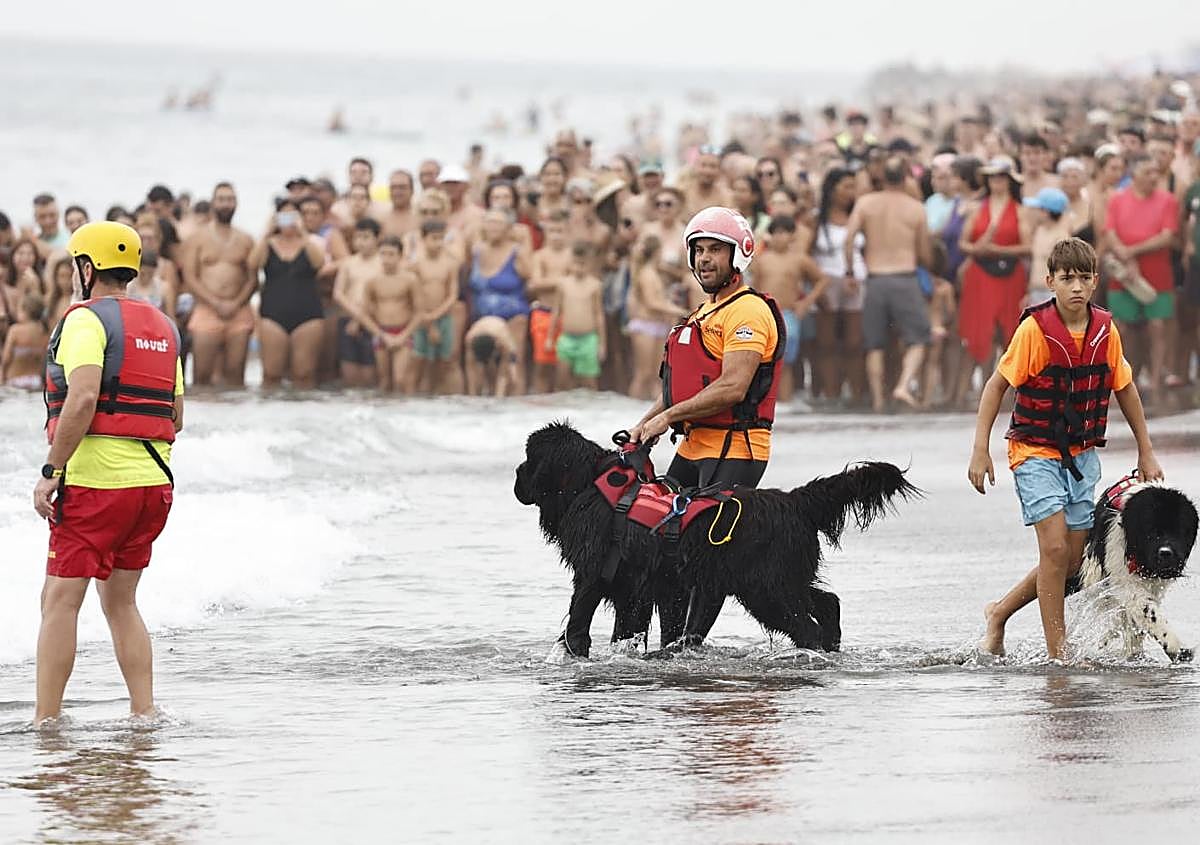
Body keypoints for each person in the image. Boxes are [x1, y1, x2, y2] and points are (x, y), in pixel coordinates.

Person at [969, 237, 1162, 661]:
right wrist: (980, 449)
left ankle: (999, 614)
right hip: (1033, 452)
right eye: (1066, 278)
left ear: (1095, 282)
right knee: (1054, 550)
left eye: (1084, 278)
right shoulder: (1034, 331)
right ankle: (1060, 654)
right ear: (1050, 282)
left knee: (1070, 561)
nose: (1076, 286)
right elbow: (996, 386)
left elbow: (1125, 389)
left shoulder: (1105, 331)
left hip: (1081, 457)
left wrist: (1145, 450)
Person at [32, 221, 184, 723]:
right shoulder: (164, 327)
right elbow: (176, 416)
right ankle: (145, 714)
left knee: (59, 599)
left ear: (85, 266)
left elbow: (82, 399)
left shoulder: (84, 321)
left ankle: (47, 722)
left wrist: (52, 469)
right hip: (153, 487)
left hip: (97, 486)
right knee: (121, 602)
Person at [628, 206, 783, 648]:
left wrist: (668, 418)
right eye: (699, 251)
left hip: (738, 447)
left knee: (709, 558)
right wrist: (645, 424)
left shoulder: (748, 313)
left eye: (716, 250)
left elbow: (733, 387)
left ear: (740, 255)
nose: (705, 260)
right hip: (696, 447)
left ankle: (688, 646)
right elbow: (682, 385)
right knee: (663, 550)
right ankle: (670, 644)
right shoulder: (703, 312)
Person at [844, 156, 933, 411]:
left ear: (882, 177)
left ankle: (878, 401)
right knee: (918, 339)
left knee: (874, 344)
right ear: (906, 178)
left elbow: (849, 239)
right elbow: (924, 252)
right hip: (905, 276)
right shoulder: (915, 208)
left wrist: (850, 272)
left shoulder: (866, 203)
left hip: (875, 279)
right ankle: (903, 385)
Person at [1104, 154, 1180, 402]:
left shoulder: (1167, 200)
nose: (1153, 177)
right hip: (1123, 274)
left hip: (1157, 272)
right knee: (1124, 328)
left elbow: (1167, 235)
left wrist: (1133, 251)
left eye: (1155, 173)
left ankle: (1157, 379)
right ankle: (1127, 379)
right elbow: (1110, 232)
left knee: (1157, 326)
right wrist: (1125, 255)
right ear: (1134, 175)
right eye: (1148, 172)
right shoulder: (1117, 200)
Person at [956, 156, 1030, 404]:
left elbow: (1027, 245)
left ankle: (1008, 389)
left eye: (1001, 177)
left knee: (1009, 331)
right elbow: (964, 243)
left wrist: (998, 250)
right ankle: (985, 388)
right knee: (982, 330)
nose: (997, 182)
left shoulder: (1020, 210)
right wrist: (980, 248)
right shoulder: (977, 209)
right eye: (993, 177)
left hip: (1010, 274)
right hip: (981, 274)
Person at [179, 182, 255, 387]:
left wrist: (236, 302)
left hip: (238, 310)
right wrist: (214, 302)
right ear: (214, 203)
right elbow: (190, 276)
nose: (226, 204)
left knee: (235, 376)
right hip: (206, 309)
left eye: (230, 199)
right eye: (221, 199)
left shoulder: (246, 239)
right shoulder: (198, 238)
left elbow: (253, 278)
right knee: (202, 376)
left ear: (236, 203)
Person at [250, 200, 326, 389]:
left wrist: (303, 232)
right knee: (271, 374)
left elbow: (319, 263)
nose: (288, 222)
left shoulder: (309, 243)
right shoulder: (267, 244)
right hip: (273, 314)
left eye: (293, 216)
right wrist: (267, 232)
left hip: (307, 314)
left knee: (304, 374)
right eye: (284, 216)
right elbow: (252, 264)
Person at [754, 214, 828, 402]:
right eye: (776, 233)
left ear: (792, 236)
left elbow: (822, 280)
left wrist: (806, 302)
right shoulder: (762, 260)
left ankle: (785, 403)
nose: (780, 237)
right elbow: (754, 287)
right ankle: (766, 404)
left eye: (784, 233)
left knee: (784, 361)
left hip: (788, 313)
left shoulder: (799, 259)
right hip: (764, 314)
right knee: (763, 361)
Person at [811, 167, 866, 404]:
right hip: (827, 282)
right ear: (831, 190)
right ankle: (831, 394)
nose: (851, 192)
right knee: (827, 343)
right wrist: (815, 289)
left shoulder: (859, 215)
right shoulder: (816, 220)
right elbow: (805, 255)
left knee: (854, 342)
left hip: (857, 283)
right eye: (846, 186)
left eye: (853, 186)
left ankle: (855, 394)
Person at [469, 208, 532, 394]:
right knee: (479, 362)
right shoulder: (476, 250)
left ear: (508, 228)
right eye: (489, 222)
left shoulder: (517, 252)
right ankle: (477, 403)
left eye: (498, 222)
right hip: (483, 316)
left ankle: (516, 403)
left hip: (513, 315)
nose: (493, 227)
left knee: (514, 361)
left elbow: (531, 280)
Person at [355, 236, 416, 393]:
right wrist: (381, 335)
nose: (386, 259)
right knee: (384, 380)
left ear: (400, 256)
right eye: (383, 254)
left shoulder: (410, 280)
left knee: (400, 379)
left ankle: (402, 413)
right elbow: (364, 314)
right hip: (381, 332)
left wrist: (404, 335)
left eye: (391, 254)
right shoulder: (372, 281)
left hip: (403, 331)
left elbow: (419, 312)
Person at [625, 235, 682, 399]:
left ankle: (651, 413)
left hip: (657, 325)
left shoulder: (653, 273)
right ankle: (628, 412)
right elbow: (652, 303)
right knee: (643, 374)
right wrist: (678, 311)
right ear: (657, 252)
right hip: (645, 325)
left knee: (656, 376)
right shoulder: (646, 274)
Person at [409, 220, 461, 395]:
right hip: (421, 318)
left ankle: (437, 396)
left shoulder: (450, 264)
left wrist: (435, 317)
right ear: (423, 240)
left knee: (444, 360)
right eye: (434, 238)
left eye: (441, 238)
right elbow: (416, 296)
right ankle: (413, 396)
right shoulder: (416, 265)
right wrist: (428, 322)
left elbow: (452, 294)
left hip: (444, 317)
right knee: (419, 361)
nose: (438, 243)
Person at [332, 217, 384, 387]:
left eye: (366, 237)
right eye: (358, 237)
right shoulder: (348, 263)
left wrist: (360, 320)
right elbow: (338, 293)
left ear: (377, 239)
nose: (361, 242)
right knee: (349, 371)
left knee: (370, 372)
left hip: (374, 321)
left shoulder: (383, 263)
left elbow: (380, 295)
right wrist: (355, 317)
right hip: (347, 319)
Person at [547, 242, 605, 390]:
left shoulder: (595, 285)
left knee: (589, 382)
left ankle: (592, 411)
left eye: (583, 264)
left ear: (589, 264)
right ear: (570, 263)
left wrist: (602, 344)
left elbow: (599, 315)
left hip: (588, 339)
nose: (579, 267)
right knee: (562, 380)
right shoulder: (563, 284)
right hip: (567, 338)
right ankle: (564, 412)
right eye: (576, 263)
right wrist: (549, 337)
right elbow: (556, 312)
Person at [529, 210, 572, 393]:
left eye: (560, 231)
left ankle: (562, 404)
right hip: (544, 313)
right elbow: (536, 283)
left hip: (567, 315)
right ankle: (541, 402)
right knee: (542, 365)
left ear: (567, 232)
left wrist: (554, 282)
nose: (556, 235)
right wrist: (562, 281)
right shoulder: (540, 256)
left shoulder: (572, 255)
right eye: (552, 231)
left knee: (565, 367)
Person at [1024, 187, 1074, 307]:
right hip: (1035, 292)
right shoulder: (1040, 231)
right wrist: (1029, 293)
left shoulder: (1062, 237)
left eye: (1038, 209)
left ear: (1046, 212)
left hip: (1052, 293)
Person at [1, 292, 49, 389]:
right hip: (36, 381)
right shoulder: (44, 332)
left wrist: (2, 375)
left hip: (15, 380)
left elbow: (6, 358)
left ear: (25, 311)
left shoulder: (15, 331)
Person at [464, 315, 521, 396]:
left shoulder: (504, 342)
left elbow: (503, 373)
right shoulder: (470, 339)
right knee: (480, 373)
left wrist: (499, 396)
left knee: (513, 378)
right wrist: (472, 395)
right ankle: (486, 393)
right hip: (481, 330)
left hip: (500, 329)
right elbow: (470, 371)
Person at [380, 169, 417, 240]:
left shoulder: (421, 217)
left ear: (412, 190)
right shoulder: (381, 219)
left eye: (402, 187)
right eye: (393, 187)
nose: (397, 191)